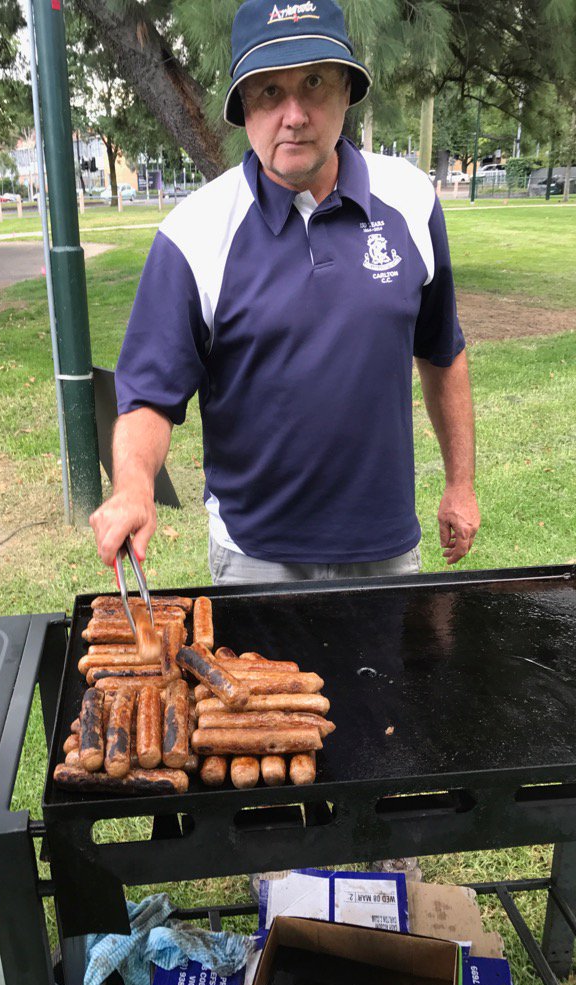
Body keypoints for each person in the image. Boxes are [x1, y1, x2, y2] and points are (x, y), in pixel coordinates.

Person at [90, 0, 480, 587]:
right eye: (269, 92)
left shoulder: (411, 200)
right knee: (250, 684)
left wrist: (460, 484)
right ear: (243, 108)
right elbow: (149, 394)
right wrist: (133, 487)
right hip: (256, 556)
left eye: (315, 83)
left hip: (386, 548)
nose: (293, 114)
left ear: (347, 91)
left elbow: (442, 350)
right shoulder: (194, 232)